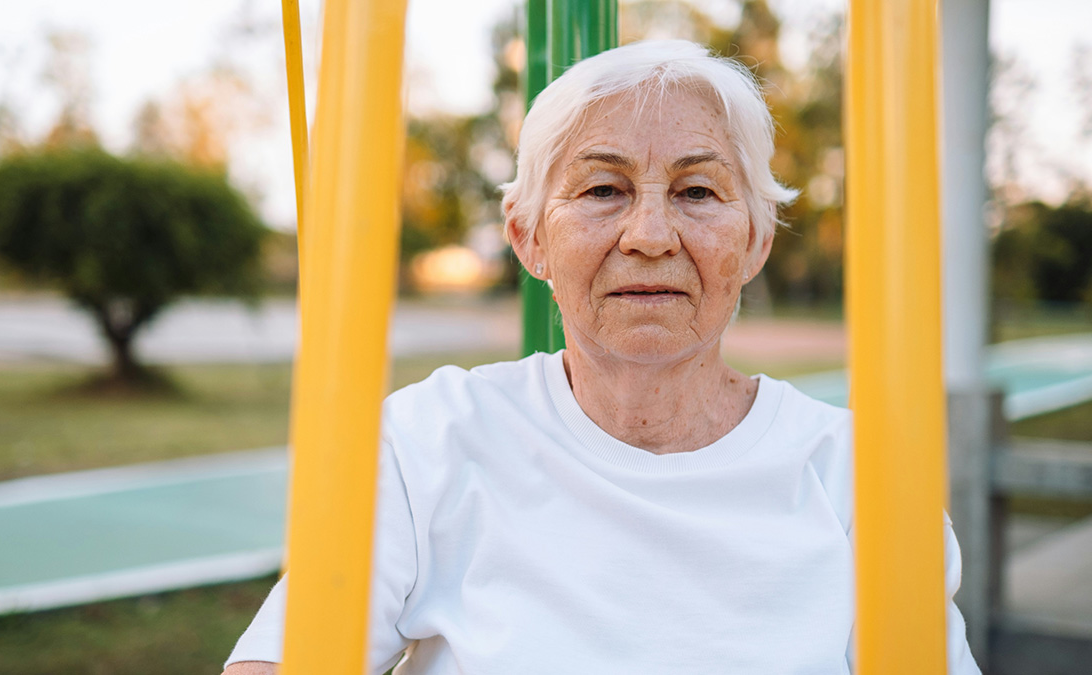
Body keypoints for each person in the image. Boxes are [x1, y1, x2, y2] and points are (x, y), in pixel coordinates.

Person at [223, 40, 981, 674]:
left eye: (696, 191)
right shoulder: (429, 441)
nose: (649, 233)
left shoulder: (862, 481)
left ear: (754, 239)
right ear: (529, 237)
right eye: (603, 189)